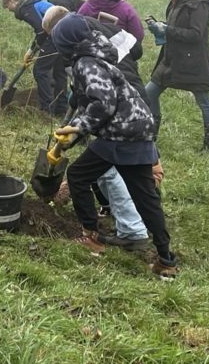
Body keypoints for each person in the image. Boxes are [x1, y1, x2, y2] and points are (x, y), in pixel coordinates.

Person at [51, 14, 178, 278]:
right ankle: (166, 260)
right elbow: (90, 103)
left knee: (78, 175)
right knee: (145, 197)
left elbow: (104, 103)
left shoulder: (85, 63)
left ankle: (91, 236)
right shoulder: (96, 53)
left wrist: (80, 127)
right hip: (139, 128)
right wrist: (73, 133)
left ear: (66, 43)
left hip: (120, 133)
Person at [42, 6, 157, 251]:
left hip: (127, 112)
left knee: (112, 171)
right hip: (123, 110)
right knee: (111, 171)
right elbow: (89, 93)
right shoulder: (91, 39)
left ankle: (131, 229)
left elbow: (102, 97)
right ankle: (130, 227)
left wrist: (78, 126)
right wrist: (73, 122)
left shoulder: (87, 58)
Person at [145, 0, 209, 152]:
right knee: (149, 93)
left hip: (192, 61)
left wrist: (168, 30)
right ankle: (150, 138)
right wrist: (161, 27)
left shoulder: (199, 4)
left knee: (203, 100)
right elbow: (175, 25)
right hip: (171, 58)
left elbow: (196, 34)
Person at [0, 0, 82, 117]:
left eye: (6, 6)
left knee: (40, 70)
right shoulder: (32, 2)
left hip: (54, 34)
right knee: (59, 71)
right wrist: (31, 50)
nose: (8, 10)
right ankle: (61, 108)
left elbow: (41, 30)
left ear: (11, 0)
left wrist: (32, 50)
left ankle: (46, 109)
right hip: (65, 33)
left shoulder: (25, 8)